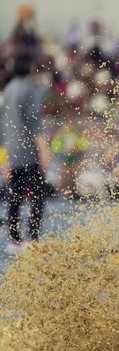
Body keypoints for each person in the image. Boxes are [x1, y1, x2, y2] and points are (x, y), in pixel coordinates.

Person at [0, 51, 49, 254]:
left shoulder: (8, 90)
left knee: (15, 196)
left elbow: (4, 124)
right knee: (38, 194)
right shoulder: (30, 89)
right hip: (28, 150)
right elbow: (34, 122)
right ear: (29, 68)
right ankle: (33, 237)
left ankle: (14, 240)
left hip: (11, 150)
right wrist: (44, 152)